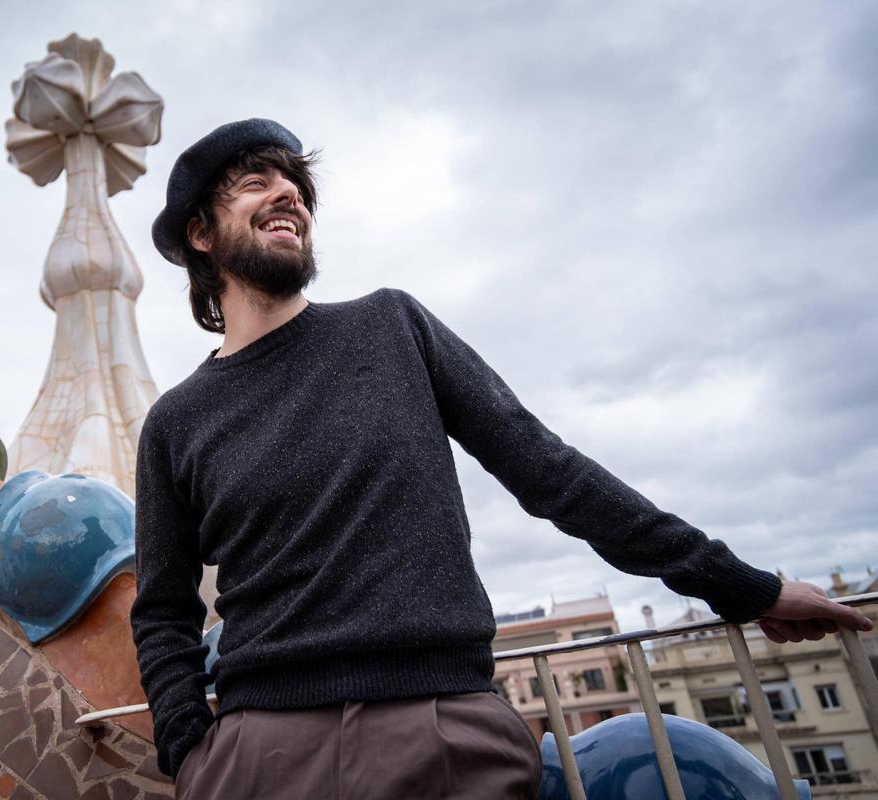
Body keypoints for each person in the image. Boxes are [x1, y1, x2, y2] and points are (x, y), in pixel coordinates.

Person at [129, 118, 872, 800]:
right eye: (256, 181)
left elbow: (552, 473)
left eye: (295, 182)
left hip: (442, 732)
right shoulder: (175, 423)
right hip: (258, 758)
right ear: (201, 234)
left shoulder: (393, 328)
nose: (288, 192)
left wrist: (743, 586)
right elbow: (162, 611)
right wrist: (191, 752)